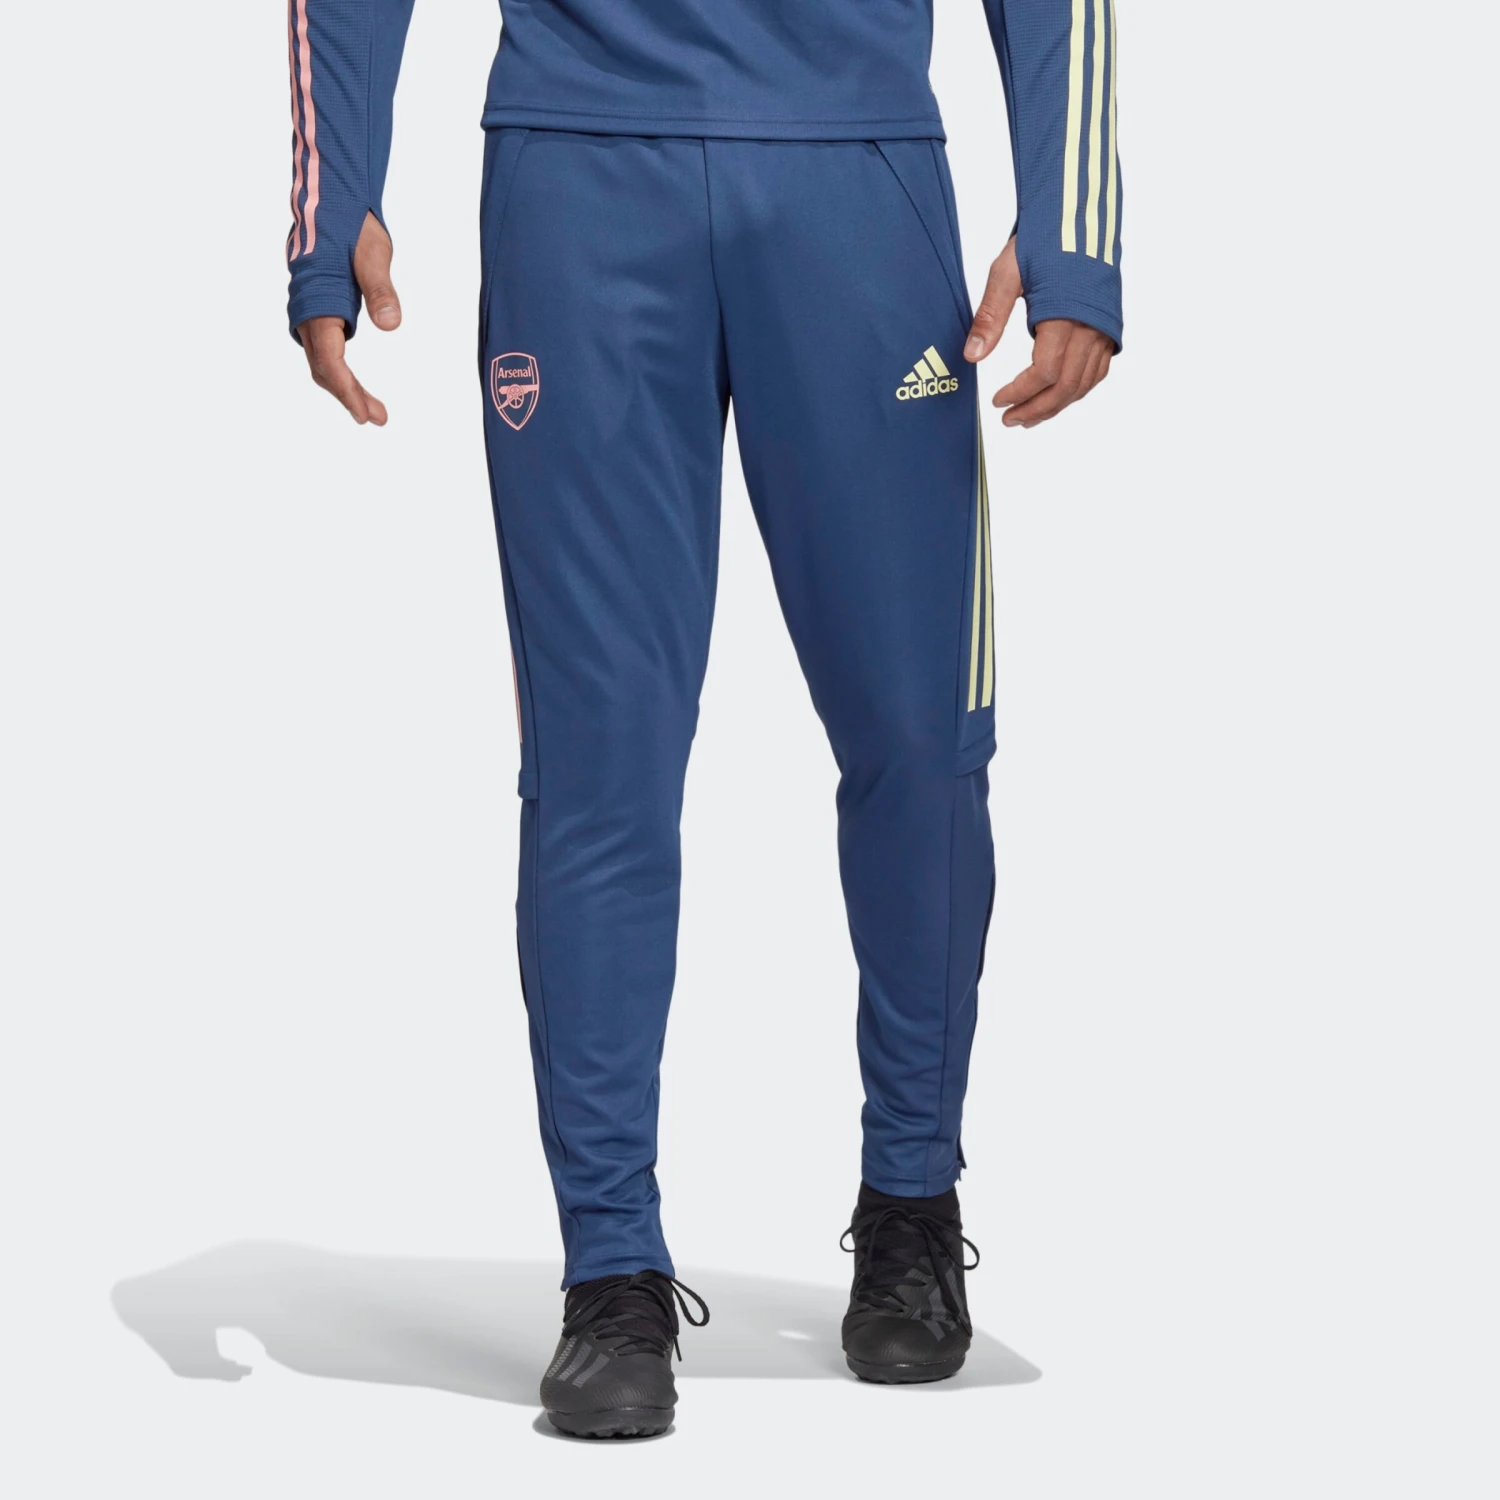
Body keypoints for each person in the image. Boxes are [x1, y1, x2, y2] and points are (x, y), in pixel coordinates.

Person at [285, 0, 1121, 1438]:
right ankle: (611, 1268)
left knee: (922, 737)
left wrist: (1075, 224)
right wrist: (331, 196)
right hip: (581, 181)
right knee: (597, 764)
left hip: (853, 176)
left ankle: (911, 1198)